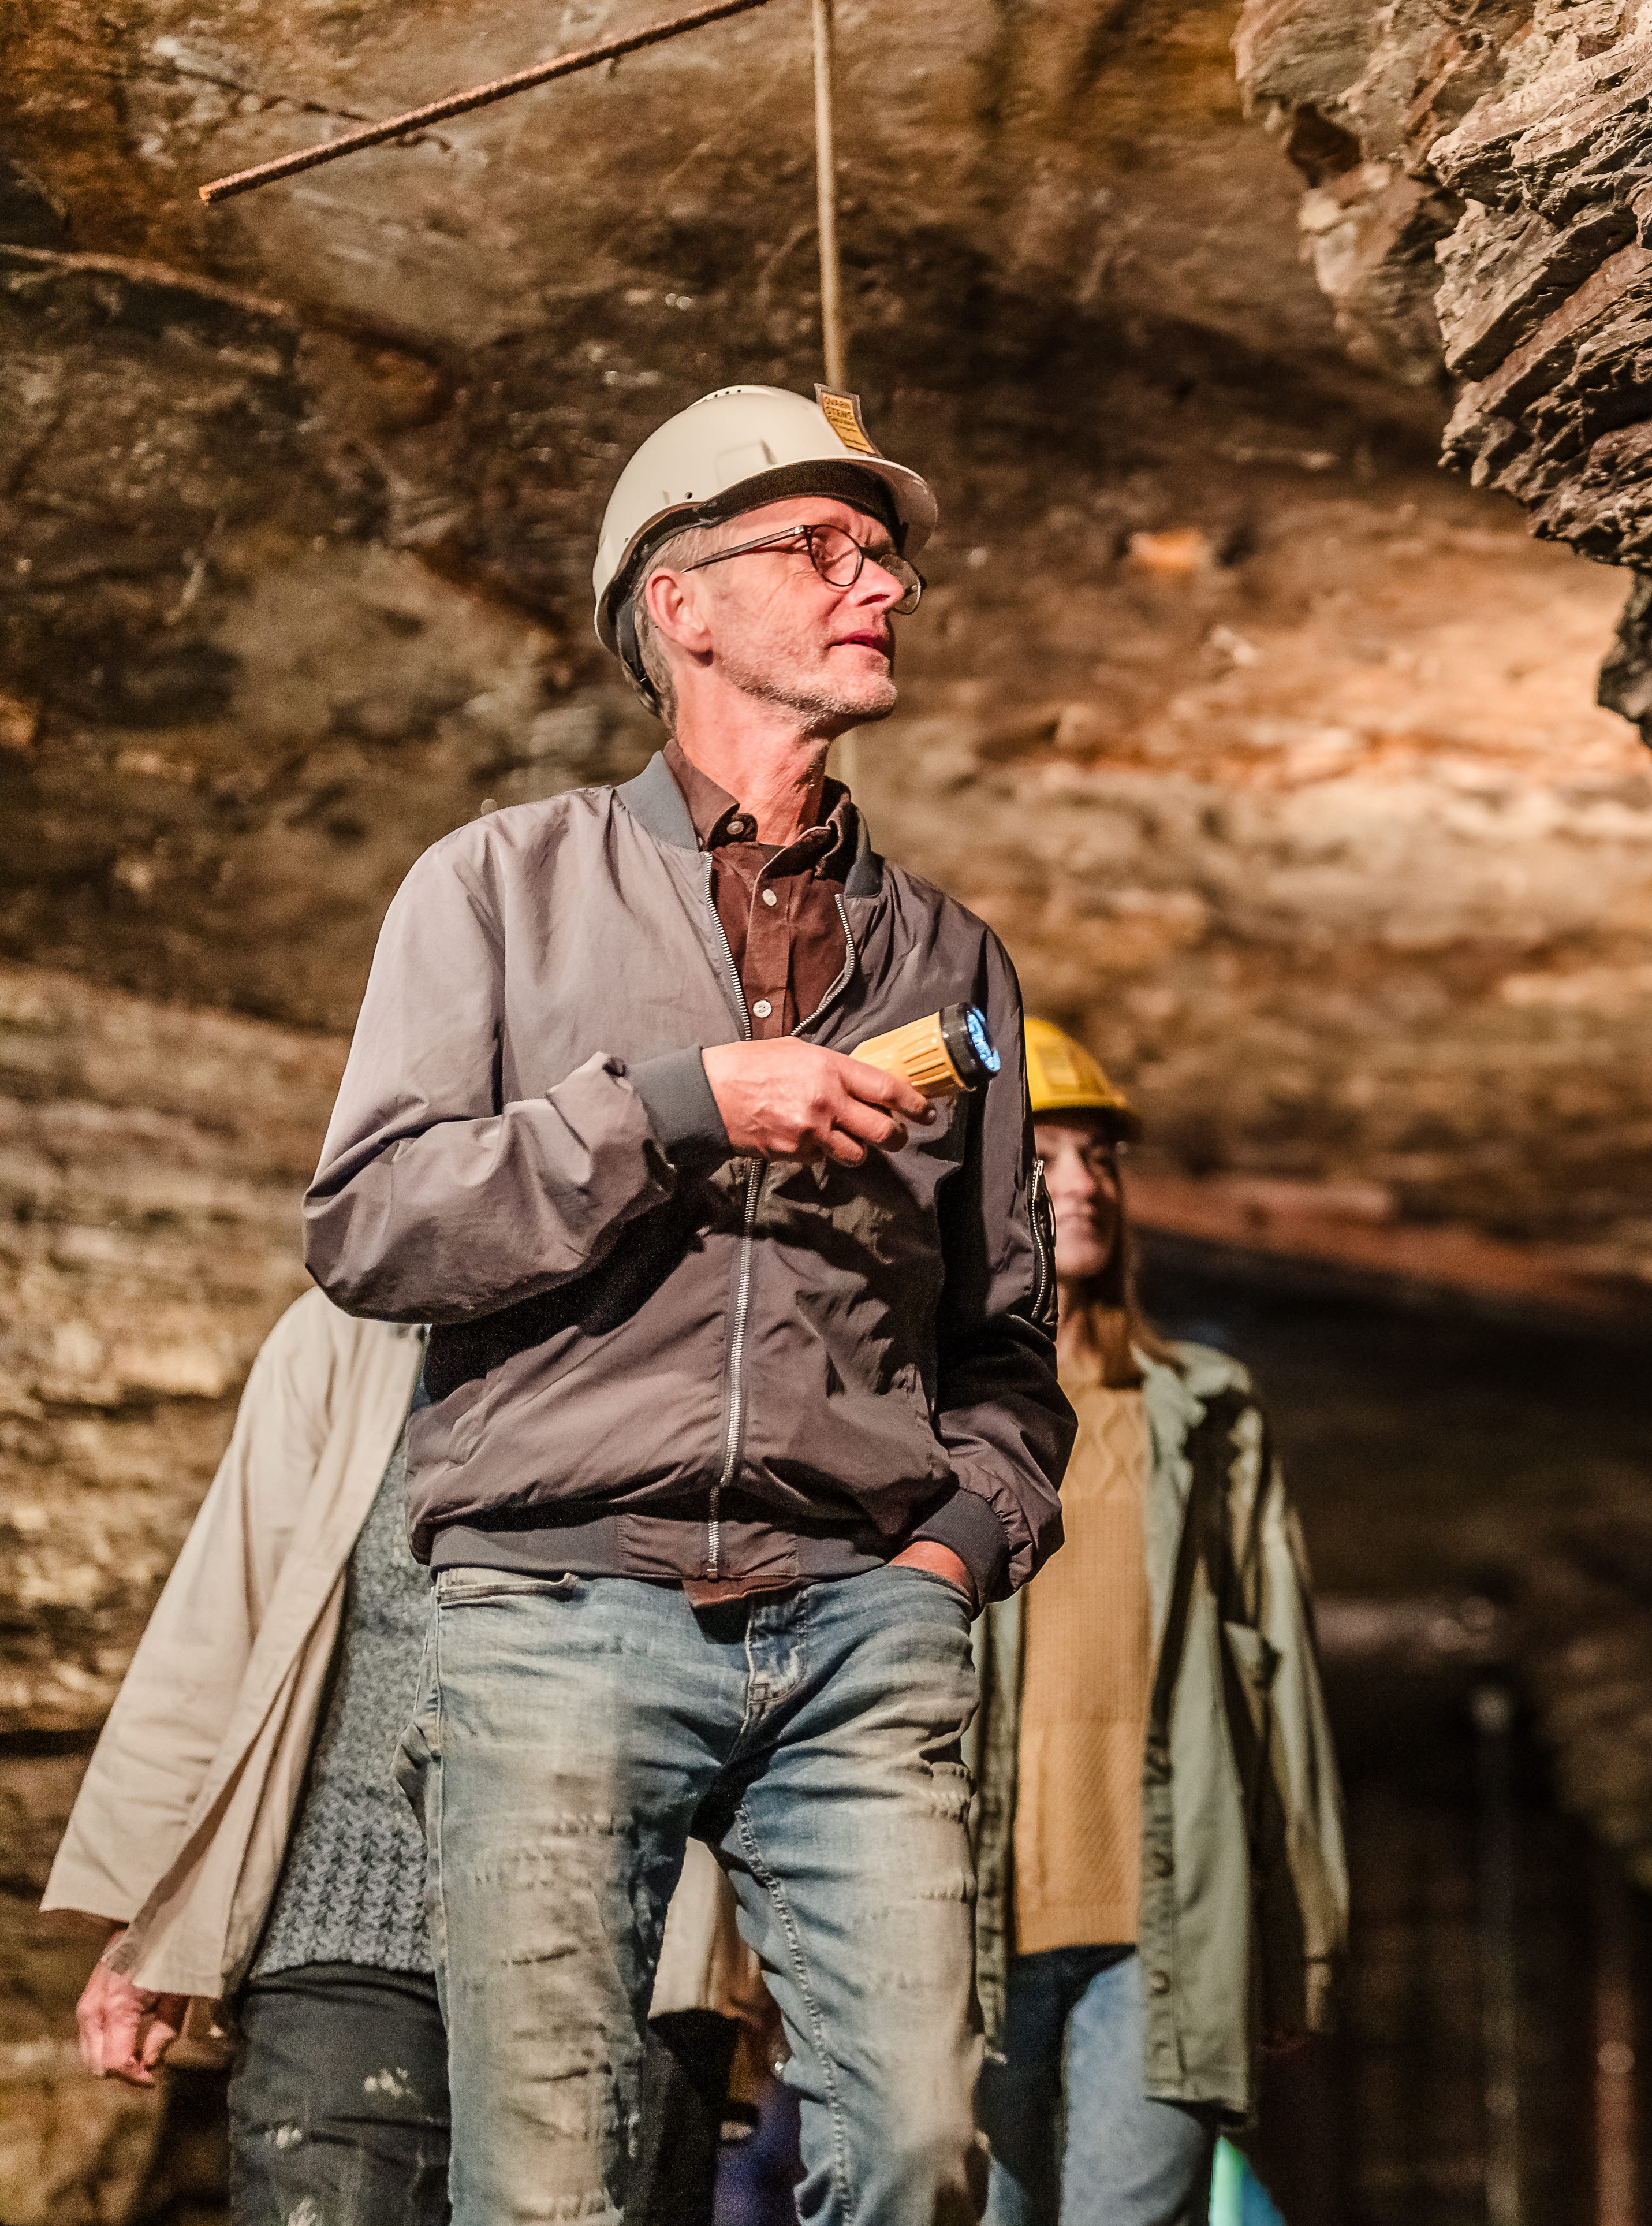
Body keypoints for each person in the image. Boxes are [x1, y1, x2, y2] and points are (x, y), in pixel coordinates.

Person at [301, 382, 1075, 2223]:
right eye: (825, 547)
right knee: (553, 2183)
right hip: (561, 1609)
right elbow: (372, 1221)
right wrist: (674, 1106)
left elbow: (1009, 1337)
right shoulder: (497, 884)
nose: (876, 582)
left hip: (854, 1625)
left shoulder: (951, 955)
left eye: (880, 554)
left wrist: (953, 1550)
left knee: (917, 2151)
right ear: (684, 605)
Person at [44, 1286, 753, 2225]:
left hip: (622, 1943)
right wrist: (147, 1919)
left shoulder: (714, 1318)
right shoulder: (346, 1335)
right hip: (341, 1928)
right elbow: (223, 1615)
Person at [971, 1020, 1348, 2225]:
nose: (1083, 1184)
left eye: (1100, 1160)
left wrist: (1303, 1937)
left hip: (1162, 1928)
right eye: (1047, 1153)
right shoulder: (907, 1407)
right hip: (959, 1925)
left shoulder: (1203, 1410)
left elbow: (1279, 1683)